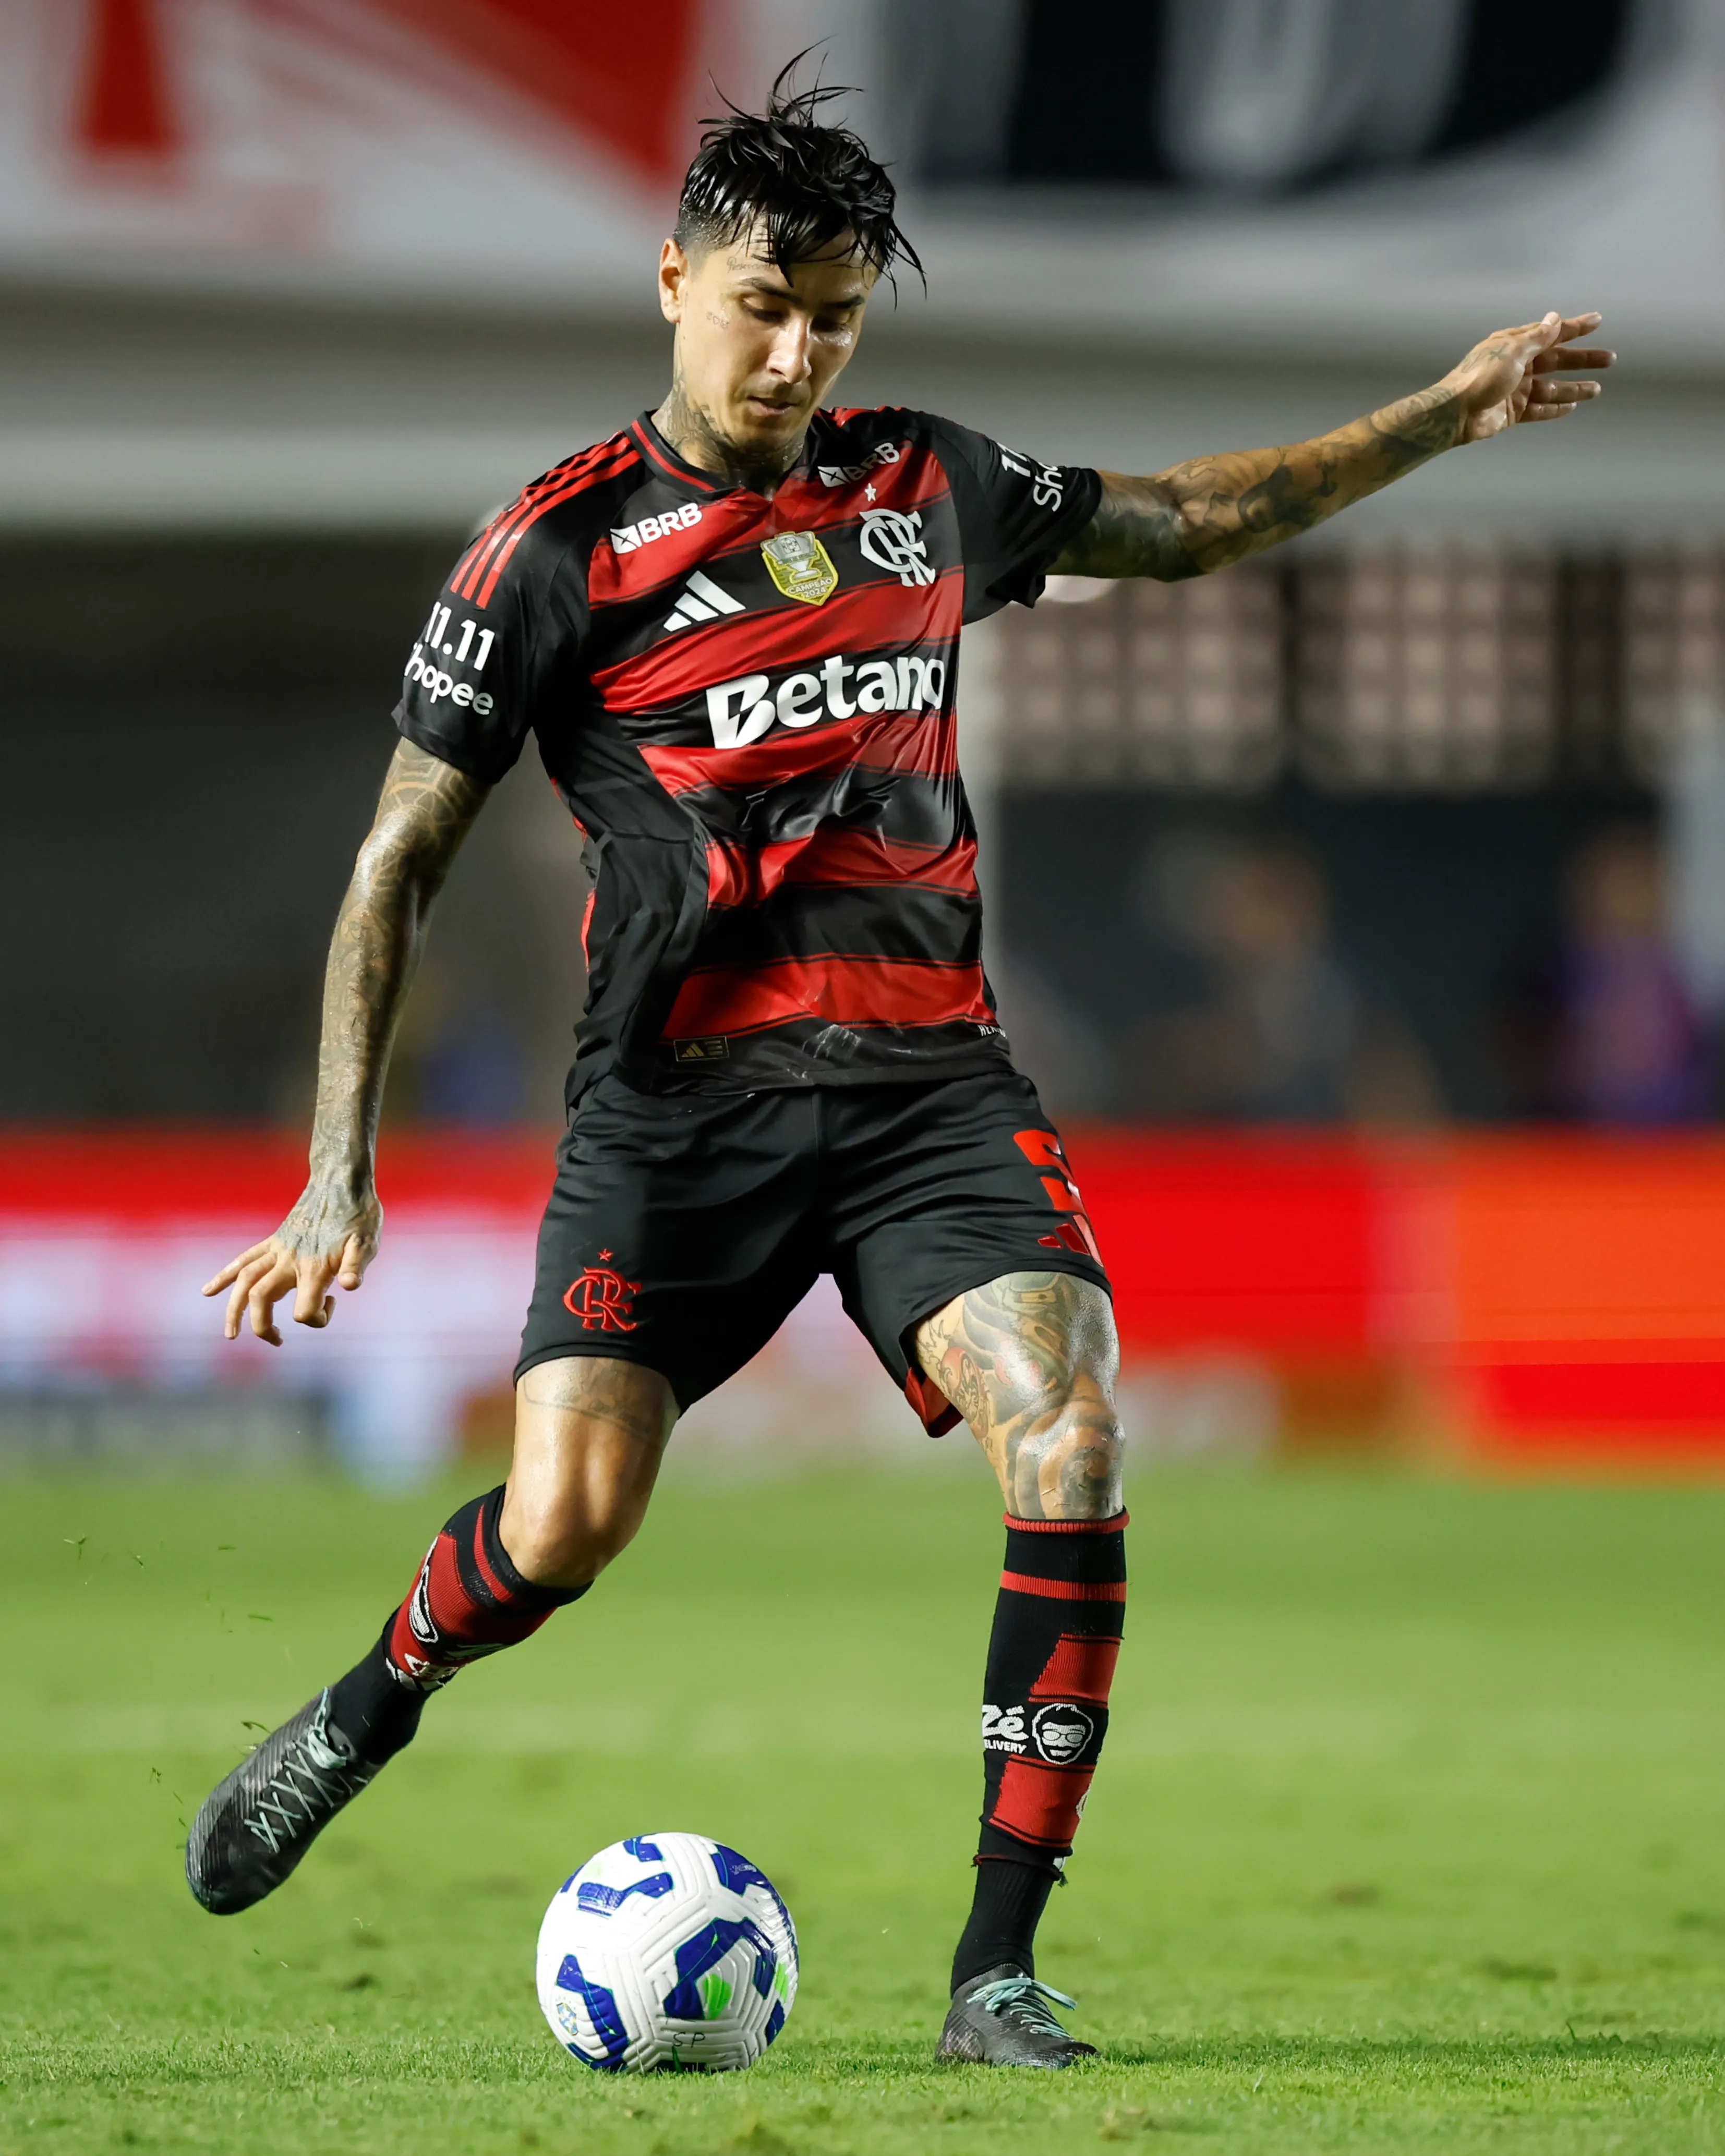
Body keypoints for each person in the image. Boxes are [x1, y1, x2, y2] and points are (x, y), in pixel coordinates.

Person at [184, 68, 1612, 2067]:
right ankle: (363, 1706)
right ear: (675, 275)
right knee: (566, 1523)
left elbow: (1191, 521)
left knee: (1076, 1432)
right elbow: (393, 862)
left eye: (836, 312)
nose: (796, 349)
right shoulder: (553, 555)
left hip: (930, 1101)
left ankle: (996, 1969)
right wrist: (339, 1169)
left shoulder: (927, 484)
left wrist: (1442, 414)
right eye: (765, 301)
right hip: (672, 1115)